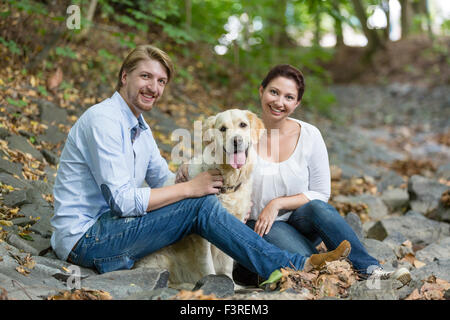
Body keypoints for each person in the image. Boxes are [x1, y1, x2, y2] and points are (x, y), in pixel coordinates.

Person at [50, 45, 351, 279]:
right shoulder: (103, 120)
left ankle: (278, 266)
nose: (153, 87)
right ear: (124, 76)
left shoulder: (139, 127)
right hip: (86, 240)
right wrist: (192, 188)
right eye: (145, 77)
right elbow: (124, 202)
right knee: (201, 202)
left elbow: (163, 179)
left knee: (203, 200)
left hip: (115, 227)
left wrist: (188, 173)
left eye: (161, 81)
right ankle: (295, 264)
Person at [233, 64, 411, 285]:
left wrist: (277, 203)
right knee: (311, 269)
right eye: (274, 92)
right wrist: (186, 170)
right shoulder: (240, 134)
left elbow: (320, 192)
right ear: (261, 91)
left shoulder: (310, 135)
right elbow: (217, 170)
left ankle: (371, 270)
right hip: (262, 225)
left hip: (303, 219)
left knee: (318, 207)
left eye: (289, 97)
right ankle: (336, 274)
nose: (279, 102)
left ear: (296, 103)